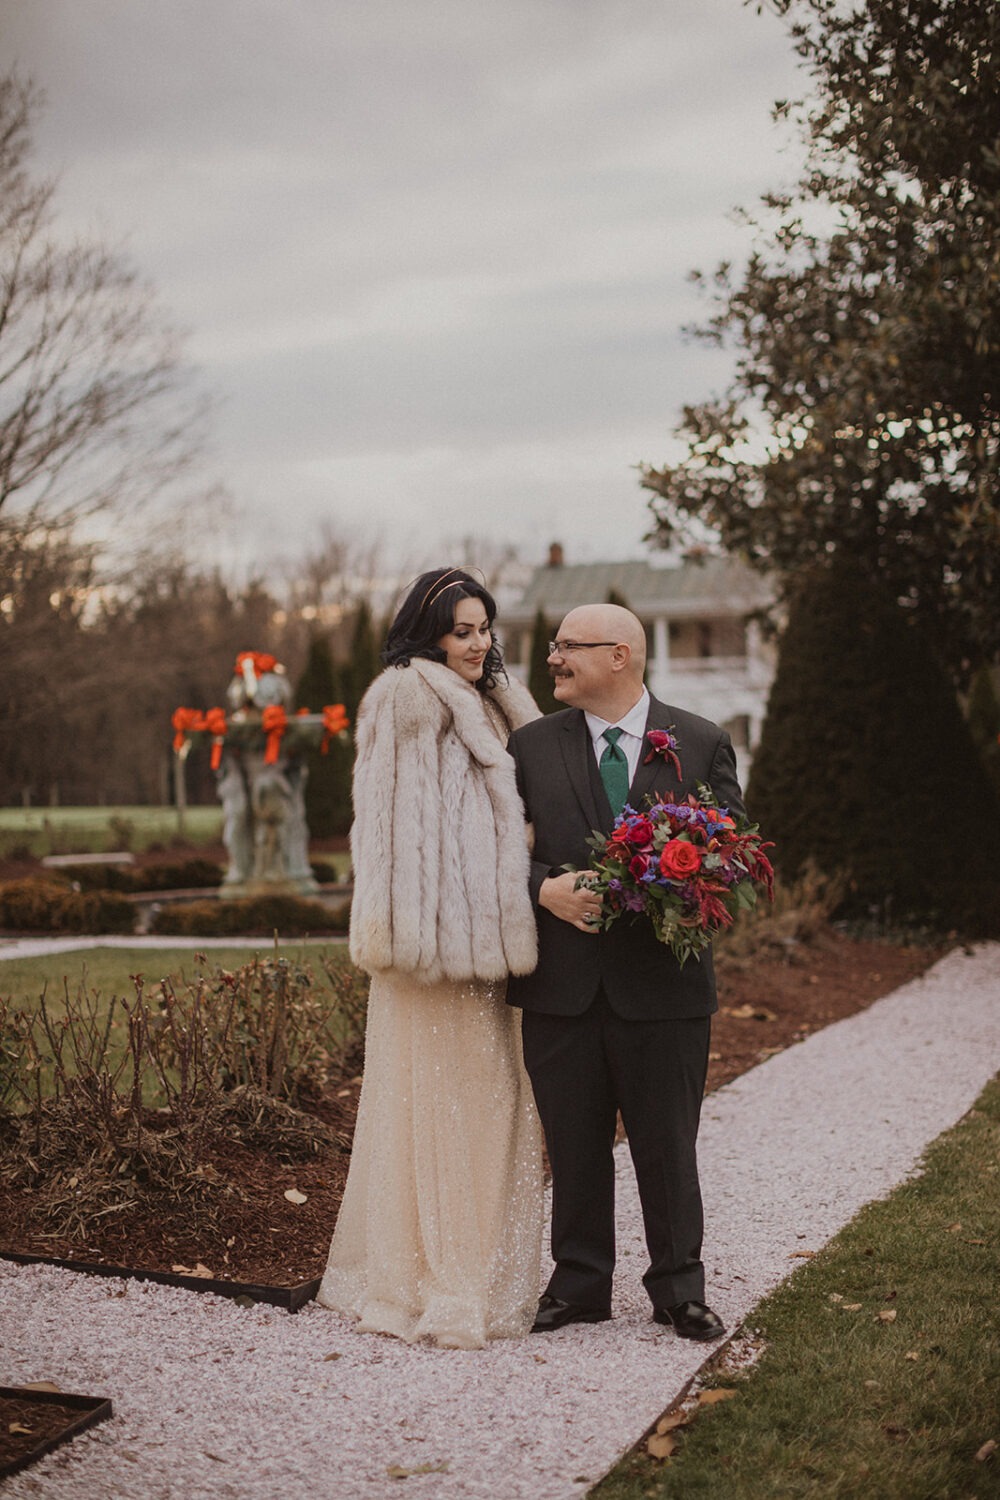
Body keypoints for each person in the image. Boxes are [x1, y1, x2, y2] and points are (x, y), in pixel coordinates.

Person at [317, 567, 544, 1349]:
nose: (479, 644)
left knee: (495, 1108)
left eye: (485, 628)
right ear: (428, 633)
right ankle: (435, 1285)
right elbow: (392, 830)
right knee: (441, 1111)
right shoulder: (406, 696)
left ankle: (482, 1273)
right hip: (434, 951)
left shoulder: (493, 698)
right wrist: (416, 936)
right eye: (462, 631)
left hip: (491, 950)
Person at [507, 603, 744, 1342]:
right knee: (573, 1146)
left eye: (568, 647)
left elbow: (731, 857)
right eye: (554, 647)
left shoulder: (701, 743)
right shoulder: (528, 746)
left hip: (665, 991)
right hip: (561, 987)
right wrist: (540, 884)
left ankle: (679, 1290)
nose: (553, 659)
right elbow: (485, 850)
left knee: (668, 1147)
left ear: (620, 656)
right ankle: (579, 1285)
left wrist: (678, 877)